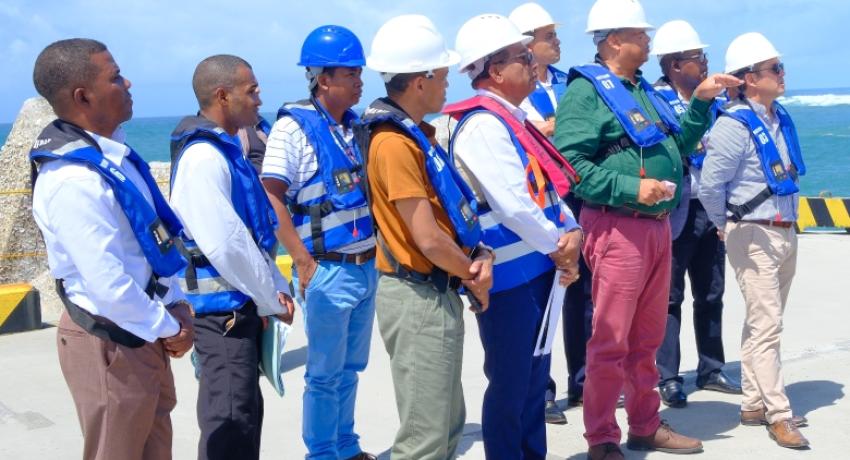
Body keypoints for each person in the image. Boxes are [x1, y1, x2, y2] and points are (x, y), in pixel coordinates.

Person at [554, 0, 741, 457]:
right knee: (611, 340)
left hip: (657, 227)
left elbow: (679, 144)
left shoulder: (640, 89)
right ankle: (601, 438)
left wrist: (700, 102)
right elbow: (570, 165)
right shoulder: (586, 92)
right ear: (614, 40)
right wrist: (630, 188)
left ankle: (644, 424)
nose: (648, 40)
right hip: (619, 227)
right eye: (640, 34)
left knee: (646, 340)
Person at [29, 38, 194, 459]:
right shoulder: (73, 179)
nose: (128, 83)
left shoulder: (114, 158)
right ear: (83, 96)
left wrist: (176, 305)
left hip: (145, 329)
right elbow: (108, 286)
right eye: (116, 77)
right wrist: (171, 327)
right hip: (111, 339)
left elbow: (147, 250)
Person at [446, 13, 583, 460]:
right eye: (522, 57)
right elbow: (513, 203)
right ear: (495, 70)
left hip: (538, 268)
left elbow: (546, 188)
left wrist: (571, 229)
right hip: (511, 279)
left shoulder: (510, 119)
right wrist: (560, 247)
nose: (532, 63)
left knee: (532, 380)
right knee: (510, 384)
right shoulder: (484, 126)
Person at [357, 15, 494, 459]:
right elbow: (428, 238)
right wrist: (473, 273)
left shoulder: (413, 136)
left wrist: (475, 258)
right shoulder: (394, 143)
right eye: (443, 76)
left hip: (434, 289)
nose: (448, 85)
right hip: (417, 295)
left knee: (446, 426)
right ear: (420, 81)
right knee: (424, 438)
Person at [169, 55, 295, 460]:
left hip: (237, 312)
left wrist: (272, 289)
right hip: (220, 319)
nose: (260, 99)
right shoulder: (204, 158)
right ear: (222, 95)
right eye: (251, 90)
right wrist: (269, 298)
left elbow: (250, 237)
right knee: (228, 423)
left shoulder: (226, 152)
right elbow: (226, 244)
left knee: (244, 418)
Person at [261, 25, 377, 460]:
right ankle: (323, 453)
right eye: (351, 73)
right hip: (327, 268)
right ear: (323, 79)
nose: (360, 81)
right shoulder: (292, 130)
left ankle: (346, 446)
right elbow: (271, 195)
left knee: (350, 369)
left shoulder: (355, 127)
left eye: (360, 72)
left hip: (365, 266)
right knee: (325, 373)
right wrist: (302, 260)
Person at [700, 32, 809, 449]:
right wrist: (725, 225)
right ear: (749, 78)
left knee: (761, 322)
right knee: (768, 325)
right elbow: (711, 186)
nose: (782, 74)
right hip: (753, 232)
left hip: (783, 229)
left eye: (780, 67)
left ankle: (752, 402)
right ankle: (779, 414)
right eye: (774, 68)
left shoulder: (778, 117)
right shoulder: (733, 125)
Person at [510, 1, 596, 421]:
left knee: (582, 295)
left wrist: (555, 129)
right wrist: (558, 128)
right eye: (549, 36)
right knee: (543, 297)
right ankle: (541, 391)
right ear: (528, 45)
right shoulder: (516, 91)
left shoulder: (567, 82)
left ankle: (582, 382)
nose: (558, 41)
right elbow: (528, 135)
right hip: (539, 202)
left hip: (577, 199)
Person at [650, 20, 741, 408]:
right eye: (696, 57)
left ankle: (711, 368)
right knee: (668, 298)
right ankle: (668, 377)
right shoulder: (652, 101)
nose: (704, 63)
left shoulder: (717, 103)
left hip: (711, 207)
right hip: (676, 211)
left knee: (712, 291)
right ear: (674, 65)